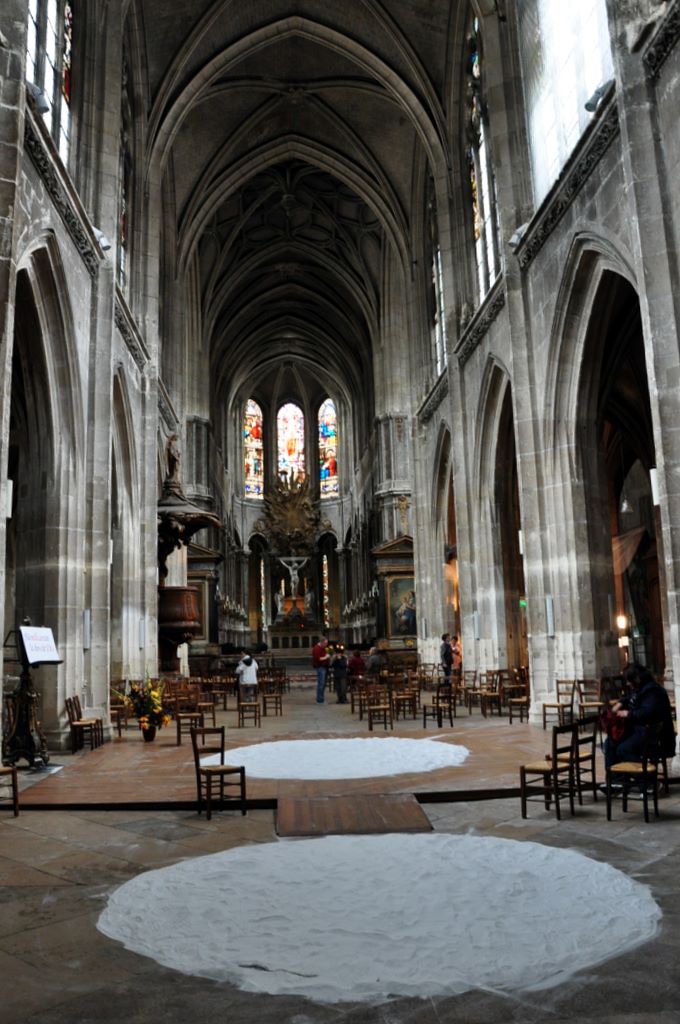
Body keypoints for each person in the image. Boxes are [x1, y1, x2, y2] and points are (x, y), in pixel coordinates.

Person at [604, 662, 676, 770]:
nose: (628, 683)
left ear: (637, 678)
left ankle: (646, 778)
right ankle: (616, 780)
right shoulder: (640, 688)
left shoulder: (653, 691)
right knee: (610, 743)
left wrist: (627, 713)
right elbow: (629, 697)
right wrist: (620, 703)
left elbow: (646, 713)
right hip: (641, 731)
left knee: (623, 750)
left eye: (629, 680)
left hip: (655, 737)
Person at [312, 637, 330, 704]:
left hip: (324, 667)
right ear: (322, 642)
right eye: (325, 643)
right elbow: (318, 659)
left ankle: (321, 698)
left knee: (323, 684)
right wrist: (326, 657)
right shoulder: (317, 648)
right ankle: (319, 700)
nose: (326, 645)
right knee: (321, 684)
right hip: (320, 667)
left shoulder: (322, 648)